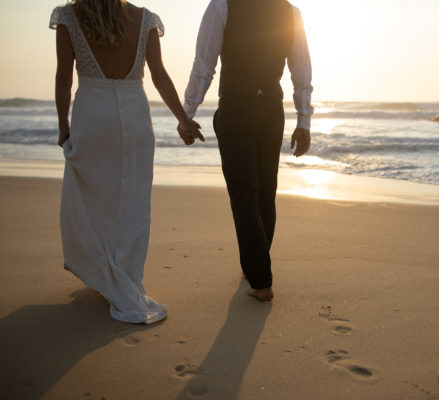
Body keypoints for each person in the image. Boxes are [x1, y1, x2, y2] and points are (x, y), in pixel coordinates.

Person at [50, 0, 203, 324]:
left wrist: (64, 126)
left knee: (96, 199)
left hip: (92, 115)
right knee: (132, 201)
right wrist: (183, 119)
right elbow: (159, 75)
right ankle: (125, 276)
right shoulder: (144, 18)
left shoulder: (69, 16)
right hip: (135, 116)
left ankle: (106, 275)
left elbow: (64, 77)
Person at [181, 0, 313, 302]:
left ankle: (261, 279)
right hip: (270, 111)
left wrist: (188, 113)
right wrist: (303, 121)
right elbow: (301, 71)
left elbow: (204, 65)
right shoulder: (289, 12)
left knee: (245, 193)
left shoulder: (223, 6)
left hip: (237, 108)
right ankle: (256, 263)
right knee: (265, 191)